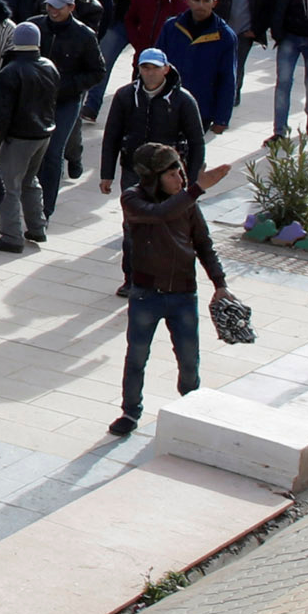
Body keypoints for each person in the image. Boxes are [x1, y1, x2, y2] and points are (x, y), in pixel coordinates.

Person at [113, 141, 234, 439]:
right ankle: (130, 411)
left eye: (180, 172)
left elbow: (203, 244)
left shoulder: (185, 202)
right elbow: (159, 215)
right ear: (153, 177)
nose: (180, 180)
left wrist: (220, 285)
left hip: (183, 294)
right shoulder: (133, 199)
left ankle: (190, 406)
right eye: (172, 174)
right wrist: (197, 189)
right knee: (137, 356)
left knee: (189, 358)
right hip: (146, 294)